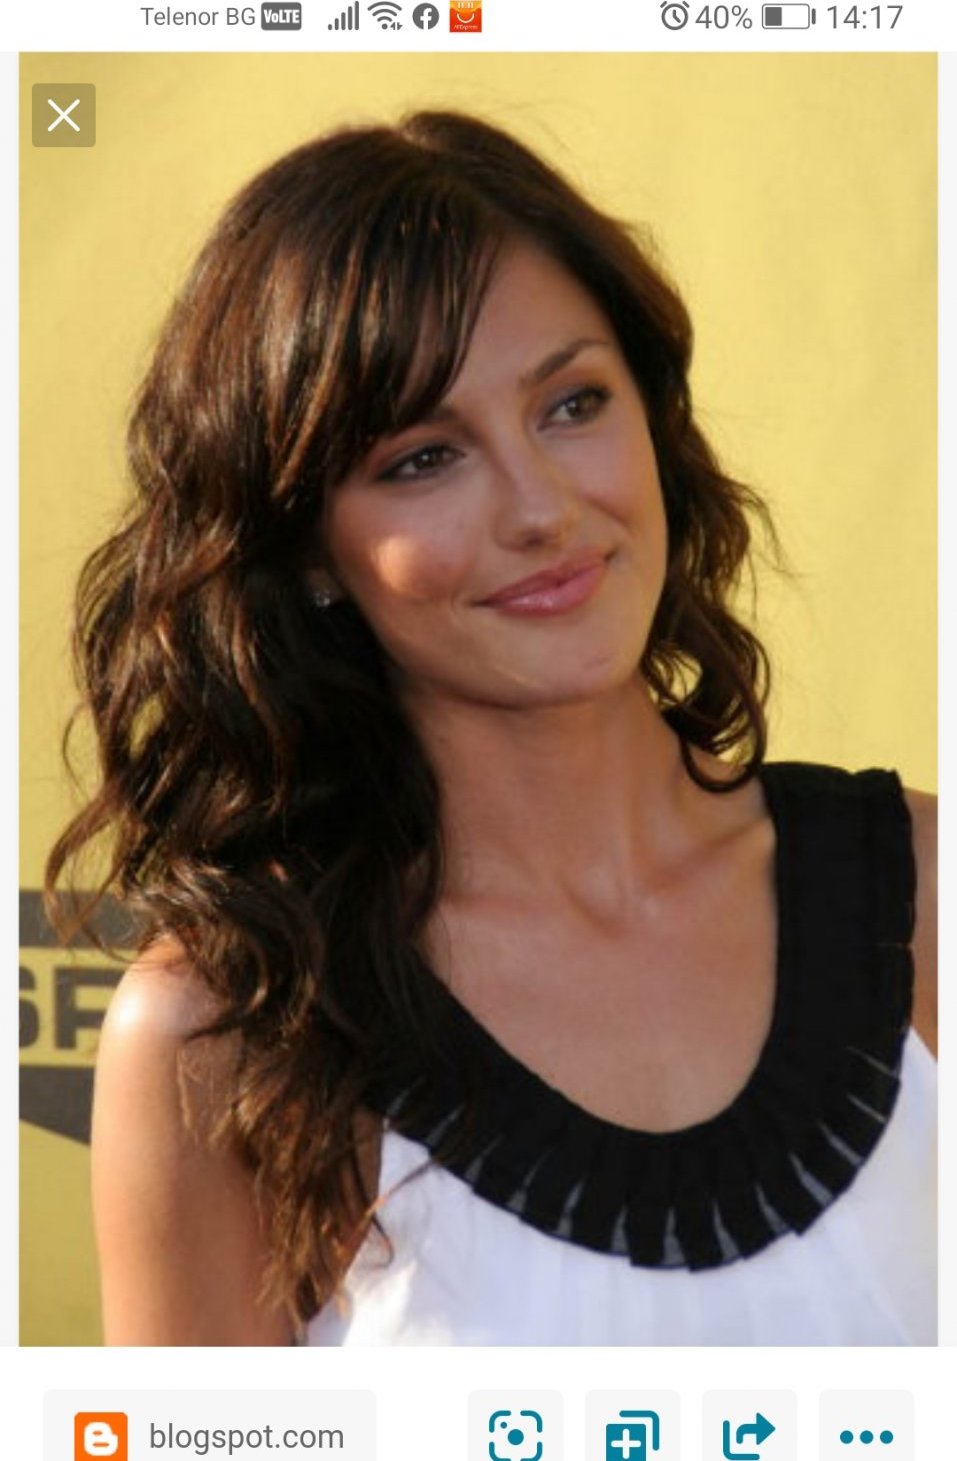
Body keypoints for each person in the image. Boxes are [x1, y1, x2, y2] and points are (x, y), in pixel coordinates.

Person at [46, 110, 937, 1347]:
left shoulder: (929, 887)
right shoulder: (230, 1035)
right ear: (307, 548)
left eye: (573, 402)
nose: (541, 508)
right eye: (423, 458)